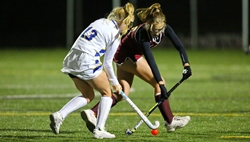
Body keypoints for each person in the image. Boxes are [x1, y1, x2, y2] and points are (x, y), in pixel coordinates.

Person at [81, 3, 192, 133]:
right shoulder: (143, 34)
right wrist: (161, 83)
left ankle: (92, 113)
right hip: (127, 57)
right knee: (157, 82)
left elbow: (180, 47)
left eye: (160, 30)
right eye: (155, 30)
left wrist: (186, 65)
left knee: (123, 93)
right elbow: (150, 60)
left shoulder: (165, 28)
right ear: (149, 24)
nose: (157, 33)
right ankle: (170, 121)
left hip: (122, 57)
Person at [49, 3, 135, 139]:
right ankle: (99, 129)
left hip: (71, 58)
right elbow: (107, 63)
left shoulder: (100, 21)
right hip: (86, 60)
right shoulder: (115, 35)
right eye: (128, 24)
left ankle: (59, 115)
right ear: (123, 21)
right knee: (107, 93)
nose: (128, 28)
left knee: (88, 95)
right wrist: (115, 83)